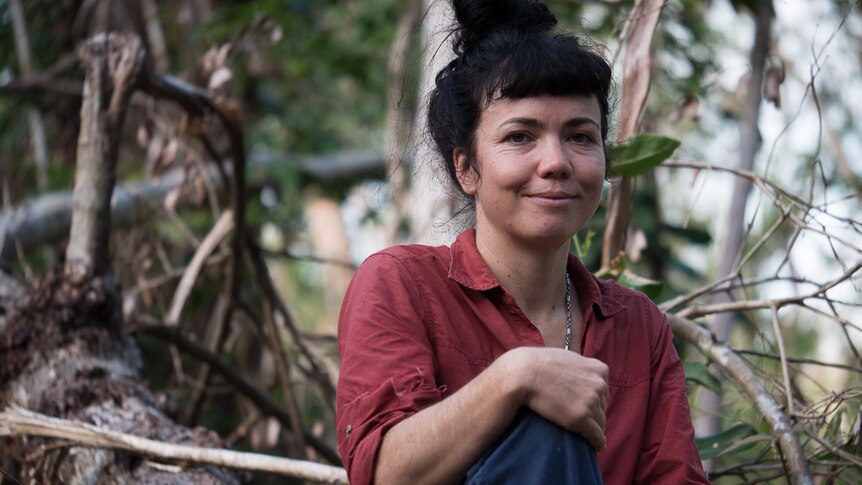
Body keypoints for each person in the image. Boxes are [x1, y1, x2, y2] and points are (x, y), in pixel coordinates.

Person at [335, 0, 710, 483]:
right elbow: (383, 473)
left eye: (580, 136)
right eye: (519, 137)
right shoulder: (401, 283)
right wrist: (517, 379)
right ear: (466, 168)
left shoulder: (640, 327)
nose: (556, 162)